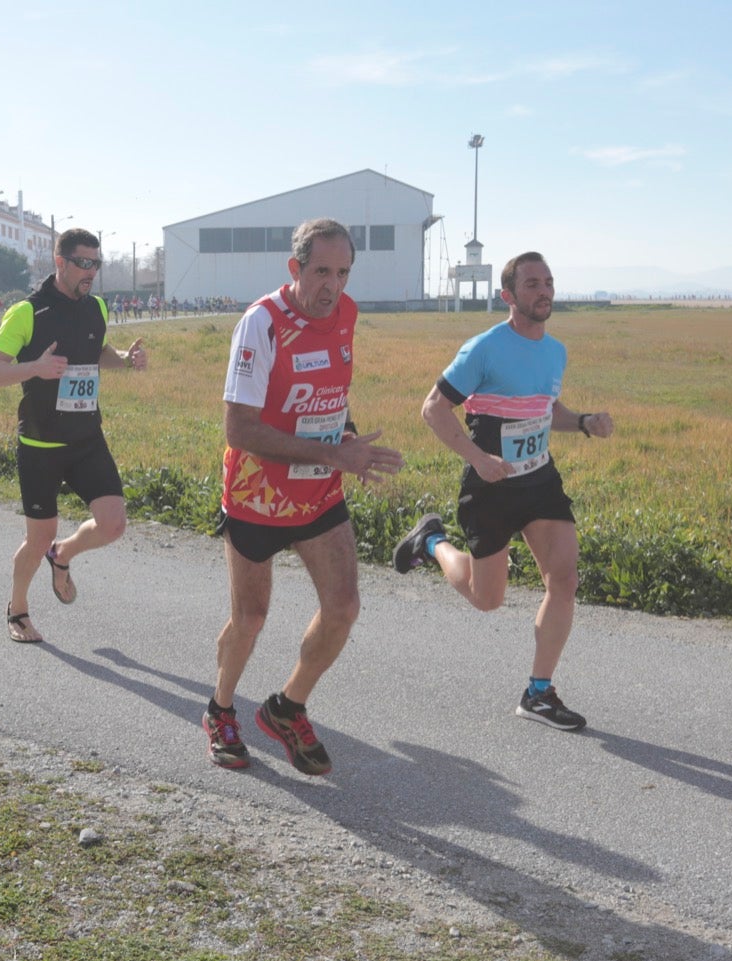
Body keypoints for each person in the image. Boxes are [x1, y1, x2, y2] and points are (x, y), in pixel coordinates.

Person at [205, 218, 404, 776]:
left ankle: (286, 707)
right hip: (256, 496)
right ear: (295, 269)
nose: (332, 286)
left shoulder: (347, 315)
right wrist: (337, 453)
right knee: (251, 617)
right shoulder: (261, 324)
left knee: (343, 607)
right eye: (321, 272)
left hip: (319, 491)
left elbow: (327, 394)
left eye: (342, 273)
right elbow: (239, 429)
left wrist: (344, 440)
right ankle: (220, 710)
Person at [392, 251, 614, 731]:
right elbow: (433, 409)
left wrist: (583, 422)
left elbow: (545, 409)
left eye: (549, 281)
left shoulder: (555, 351)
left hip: (539, 481)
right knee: (486, 598)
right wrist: (478, 458)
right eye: (532, 283)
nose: (544, 291)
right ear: (508, 296)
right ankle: (431, 540)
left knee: (565, 579)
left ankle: (539, 692)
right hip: (490, 488)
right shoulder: (484, 348)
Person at [0, 228, 147, 644]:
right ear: (60, 262)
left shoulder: (97, 308)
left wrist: (125, 360)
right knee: (39, 535)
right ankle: (17, 608)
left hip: (87, 438)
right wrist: (33, 367)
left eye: (96, 263)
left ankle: (64, 555)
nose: (91, 271)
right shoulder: (27, 313)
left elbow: (99, 351)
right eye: (83, 263)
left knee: (113, 524)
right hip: (40, 444)